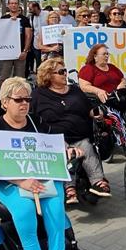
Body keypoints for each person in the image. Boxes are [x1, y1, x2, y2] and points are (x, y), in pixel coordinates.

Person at [0, 78, 83, 250]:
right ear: (5, 101)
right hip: (7, 182)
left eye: (27, 99)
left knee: (56, 206)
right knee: (25, 209)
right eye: (19, 100)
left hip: (39, 177)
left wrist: (68, 150)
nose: (24, 103)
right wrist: (21, 180)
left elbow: (55, 143)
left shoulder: (35, 122)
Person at [33, 57, 110, 204]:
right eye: (61, 72)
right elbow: (32, 119)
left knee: (86, 146)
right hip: (54, 138)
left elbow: (88, 110)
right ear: (49, 75)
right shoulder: (39, 95)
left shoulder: (75, 90)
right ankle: (69, 188)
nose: (65, 74)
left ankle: (98, 182)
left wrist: (96, 114)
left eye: (65, 71)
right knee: (67, 151)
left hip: (80, 135)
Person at [0, 0, 33, 82]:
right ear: (8, 5)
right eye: (12, 3)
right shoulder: (4, 18)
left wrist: (25, 51)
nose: (13, 5)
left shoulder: (24, 19)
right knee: (4, 77)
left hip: (20, 52)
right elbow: (0, 34)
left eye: (15, 3)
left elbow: (28, 36)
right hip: (7, 52)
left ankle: (19, 94)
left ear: (18, 5)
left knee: (20, 78)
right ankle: (3, 94)